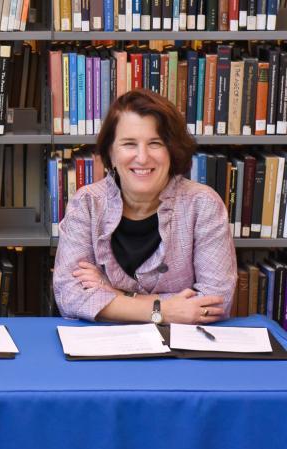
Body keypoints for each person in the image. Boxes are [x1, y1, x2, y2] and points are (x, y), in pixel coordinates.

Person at [53, 89, 236, 325]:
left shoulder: (203, 205)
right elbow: (69, 296)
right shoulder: (87, 203)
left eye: (155, 143)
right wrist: (165, 311)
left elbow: (215, 302)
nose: (142, 157)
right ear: (111, 151)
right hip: (104, 349)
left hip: (182, 352)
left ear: (172, 149)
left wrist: (114, 295)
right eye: (129, 144)